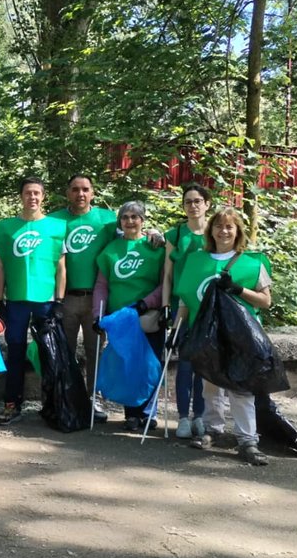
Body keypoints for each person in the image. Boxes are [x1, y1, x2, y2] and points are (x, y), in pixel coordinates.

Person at [174, 206, 273, 466]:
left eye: (229, 226)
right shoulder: (196, 260)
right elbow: (185, 300)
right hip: (206, 333)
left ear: (238, 230)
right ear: (211, 230)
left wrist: (239, 289)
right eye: (218, 226)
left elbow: (265, 301)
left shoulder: (253, 262)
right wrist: (176, 331)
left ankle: (247, 439)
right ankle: (212, 429)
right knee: (210, 385)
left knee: (241, 387)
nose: (224, 231)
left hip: (241, 336)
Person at [0, 177, 68, 425]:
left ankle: (52, 405)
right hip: (16, 300)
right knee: (15, 351)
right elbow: (1, 265)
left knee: (49, 352)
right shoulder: (6, 227)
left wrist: (59, 300)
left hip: (45, 300)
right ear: (21, 196)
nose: (32, 197)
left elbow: (61, 267)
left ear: (43, 196)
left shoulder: (57, 226)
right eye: (28, 193)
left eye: (37, 193)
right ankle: (12, 404)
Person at [92, 200, 165, 431]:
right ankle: (131, 414)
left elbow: (166, 283)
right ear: (120, 222)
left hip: (148, 316)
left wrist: (146, 303)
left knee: (151, 364)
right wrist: (98, 315)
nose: (130, 221)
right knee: (128, 366)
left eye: (135, 217)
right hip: (122, 320)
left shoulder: (156, 248)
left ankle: (148, 412)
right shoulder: (110, 251)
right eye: (125, 217)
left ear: (143, 220)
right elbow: (102, 286)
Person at [50, 175, 117, 422]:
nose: (80, 194)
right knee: (64, 350)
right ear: (67, 192)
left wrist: (154, 235)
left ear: (93, 192)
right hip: (65, 297)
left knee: (95, 350)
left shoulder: (108, 220)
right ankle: (66, 398)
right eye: (75, 189)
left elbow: (132, 235)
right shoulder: (54, 221)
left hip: (97, 298)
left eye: (85, 189)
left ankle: (94, 399)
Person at [162, 183, 211, 439]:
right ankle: (182, 417)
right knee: (184, 363)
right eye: (188, 201)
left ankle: (200, 416)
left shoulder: (215, 233)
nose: (193, 205)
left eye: (197, 201)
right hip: (181, 308)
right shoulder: (175, 234)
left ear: (207, 204)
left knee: (203, 365)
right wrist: (165, 305)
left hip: (207, 309)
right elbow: (168, 275)